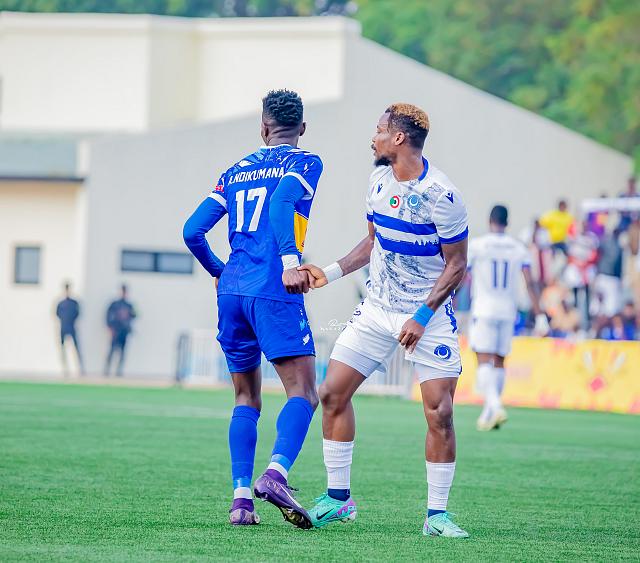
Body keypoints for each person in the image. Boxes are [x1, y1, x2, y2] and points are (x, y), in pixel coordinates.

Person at [300, 103, 470, 537]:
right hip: (376, 309)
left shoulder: (443, 195)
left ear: (398, 138)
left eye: (378, 130)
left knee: (440, 412)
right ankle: (339, 500)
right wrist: (330, 272)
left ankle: (437, 516)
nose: (372, 138)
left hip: (428, 316)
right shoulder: (377, 181)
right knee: (331, 393)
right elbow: (373, 243)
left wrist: (422, 315)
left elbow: (457, 265)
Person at [183, 90, 323, 528]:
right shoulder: (306, 162)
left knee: (246, 397)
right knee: (304, 392)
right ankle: (276, 474)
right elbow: (281, 205)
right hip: (274, 287)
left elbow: (192, 231)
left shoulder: (235, 171)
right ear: (302, 128)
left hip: (232, 293)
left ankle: (241, 501)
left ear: (263, 128)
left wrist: (220, 271)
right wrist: (290, 262)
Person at [467, 205, 549, 431]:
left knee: (483, 359)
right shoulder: (518, 248)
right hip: (507, 310)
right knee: (499, 360)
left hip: (484, 309)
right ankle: (489, 412)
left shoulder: (477, 245)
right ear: (507, 222)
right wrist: (540, 315)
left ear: (489, 220)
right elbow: (530, 282)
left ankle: (495, 405)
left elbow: (462, 275)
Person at [104, 284, 137, 377]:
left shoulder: (129, 305)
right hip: (116, 331)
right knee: (111, 352)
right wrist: (110, 328)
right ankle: (106, 371)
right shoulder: (115, 304)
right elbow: (108, 316)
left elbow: (134, 315)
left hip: (124, 332)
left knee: (122, 353)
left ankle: (118, 372)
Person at [55, 282, 84, 375]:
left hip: (72, 327)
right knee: (63, 349)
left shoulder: (74, 303)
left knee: (76, 348)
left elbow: (77, 313)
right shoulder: (61, 303)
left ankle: (80, 369)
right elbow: (57, 314)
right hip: (63, 327)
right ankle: (65, 369)